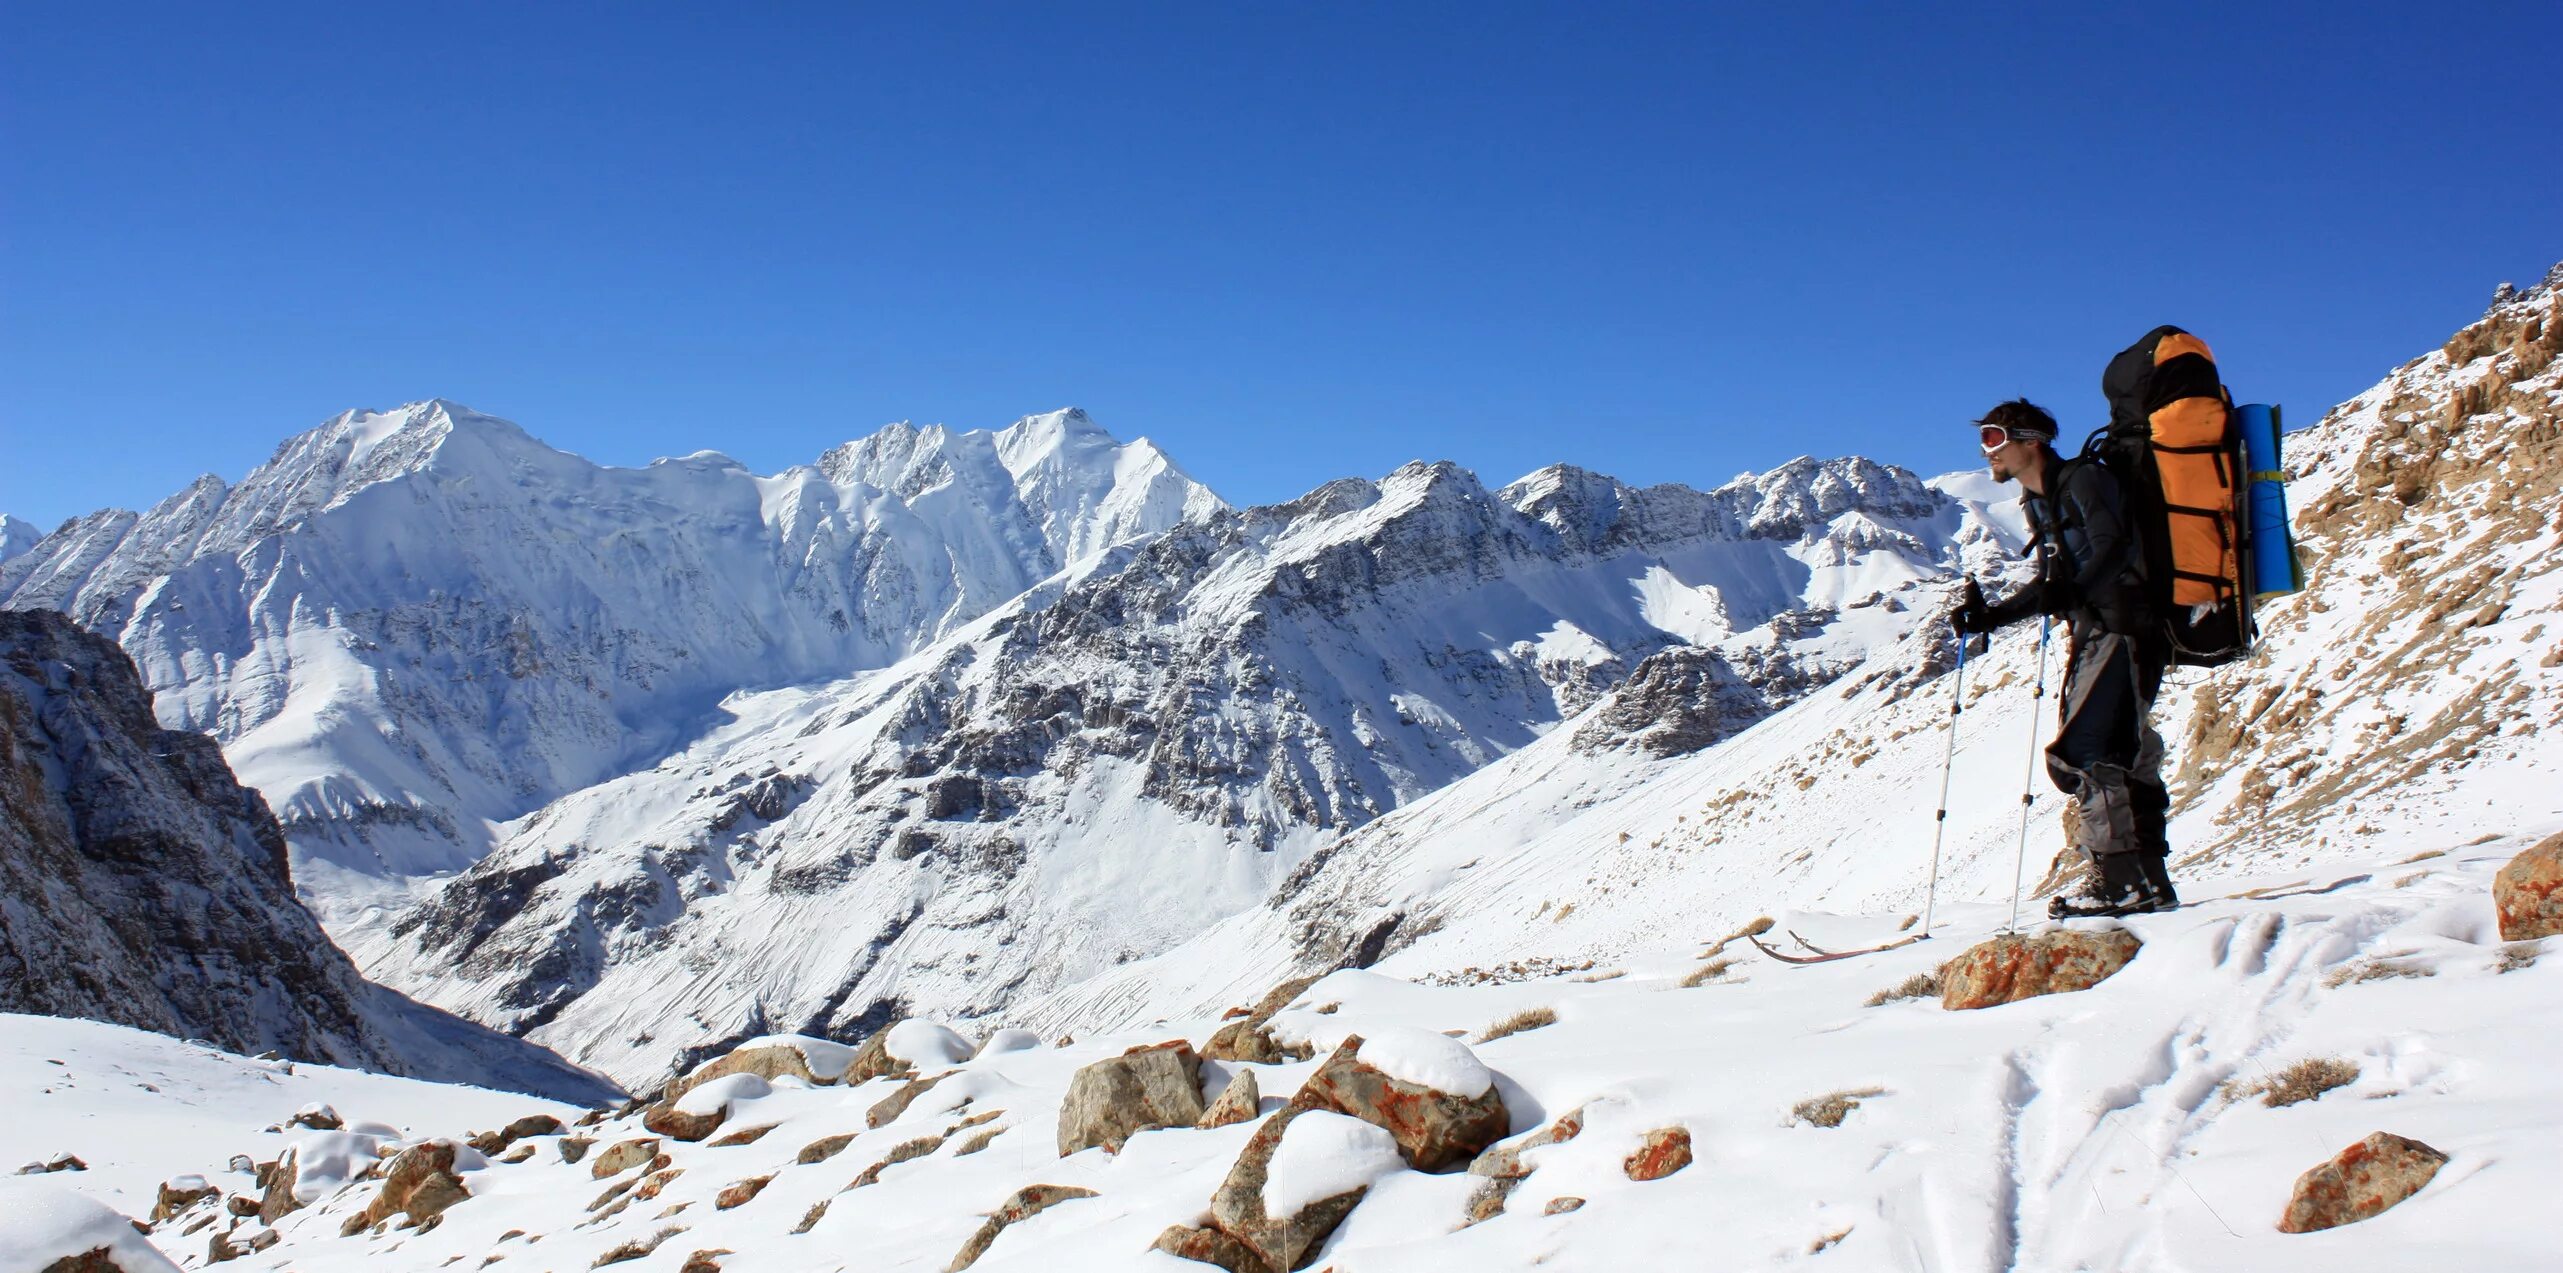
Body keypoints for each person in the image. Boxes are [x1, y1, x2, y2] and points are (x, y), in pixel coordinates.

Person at [1951, 399, 2178, 917]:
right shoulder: (2041, 501)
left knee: (2089, 750)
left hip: (2123, 629)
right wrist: (1993, 617)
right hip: (2099, 630)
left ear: (2030, 441)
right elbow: (2053, 584)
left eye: (1993, 438)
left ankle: (2120, 884)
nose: (1987, 453)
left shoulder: (2084, 482)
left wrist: (2071, 590)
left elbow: (2112, 548)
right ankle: (2149, 881)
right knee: (2129, 751)